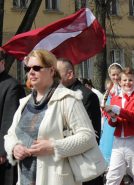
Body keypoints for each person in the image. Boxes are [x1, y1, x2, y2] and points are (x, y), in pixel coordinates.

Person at [4, 49, 98, 185]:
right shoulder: (25, 102)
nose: (31, 72)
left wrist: (53, 146)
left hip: (56, 179)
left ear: (52, 71)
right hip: (25, 179)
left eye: (36, 68)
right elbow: (10, 135)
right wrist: (14, 147)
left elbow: (88, 137)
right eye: (27, 68)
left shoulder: (68, 99)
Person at [56, 58, 102, 185]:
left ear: (69, 74)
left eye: (56, 74)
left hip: (83, 164)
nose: (52, 78)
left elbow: (93, 135)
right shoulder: (55, 95)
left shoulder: (86, 96)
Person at [103, 67, 134, 185]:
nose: (127, 83)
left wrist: (116, 109)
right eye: (124, 80)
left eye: (130, 80)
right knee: (112, 176)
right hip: (118, 141)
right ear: (120, 82)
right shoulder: (115, 98)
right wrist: (112, 116)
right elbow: (112, 123)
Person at [0, 50, 25, 185]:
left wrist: (2, 150)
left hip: (4, 154)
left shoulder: (11, 85)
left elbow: (8, 120)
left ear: (2, 63)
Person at [99, 63, 123, 166]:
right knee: (108, 148)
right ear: (110, 75)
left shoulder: (123, 90)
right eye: (113, 75)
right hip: (109, 125)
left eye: (118, 74)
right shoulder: (108, 91)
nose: (116, 77)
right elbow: (103, 107)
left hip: (120, 123)